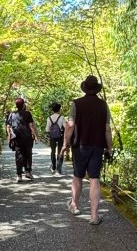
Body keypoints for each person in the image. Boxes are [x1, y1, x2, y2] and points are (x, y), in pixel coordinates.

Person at [61, 74, 112, 224]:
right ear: (96, 89)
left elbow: (70, 126)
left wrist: (65, 144)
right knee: (94, 179)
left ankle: (74, 206)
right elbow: (107, 129)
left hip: (80, 145)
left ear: (85, 88)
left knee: (77, 176)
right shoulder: (103, 105)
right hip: (97, 145)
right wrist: (109, 147)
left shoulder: (76, 104)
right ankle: (94, 216)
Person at [6, 97, 38, 181]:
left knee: (18, 155)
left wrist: (9, 136)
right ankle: (28, 172)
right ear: (23, 105)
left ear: (16, 105)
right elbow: (31, 126)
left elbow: (8, 127)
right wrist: (36, 136)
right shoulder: (28, 113)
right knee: (28, 154)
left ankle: (19, 175)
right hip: (27, 137)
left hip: (17, 138)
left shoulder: (12, 114)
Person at [45, 102, 66, 174]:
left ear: (52, 109)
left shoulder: (49, 118)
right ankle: (59, 169)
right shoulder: (62, 117)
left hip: (52, 136)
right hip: (60, 136)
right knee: (60, 151)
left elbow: (47, 130)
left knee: (53, 151)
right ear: (59, 109)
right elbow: (66, 127)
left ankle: (53, 166)